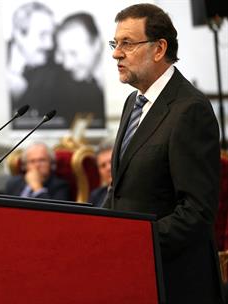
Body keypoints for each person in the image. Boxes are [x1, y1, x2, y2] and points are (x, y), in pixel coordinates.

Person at [103, 4, 223, 303]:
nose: (117, 53)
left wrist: (132, 241)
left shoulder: (190, 109)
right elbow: (122, 189)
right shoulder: (134, 102)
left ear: (159, 49)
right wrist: (97, 229)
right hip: (133, 274)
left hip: (175, 281)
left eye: (127, 44)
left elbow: (196, 211)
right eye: (115, 43)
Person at [7, 2, 55, 109]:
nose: (50, 45)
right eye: (43, 35)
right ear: (19, 35)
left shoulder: (54, 71)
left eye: (51, 35)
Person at [5, 142, 71, 201]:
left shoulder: (60, 186)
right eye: (32, 161)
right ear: (24, 166)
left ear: (51, 163)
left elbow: (53, 213)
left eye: (42, 160)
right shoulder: (13, 183)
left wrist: (37, 188)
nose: (37, 165)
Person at [88, 139, 113, 207]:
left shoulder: (132, 192)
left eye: (111, 162)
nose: (108, 168)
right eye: (103, 165)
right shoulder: (95, 195)